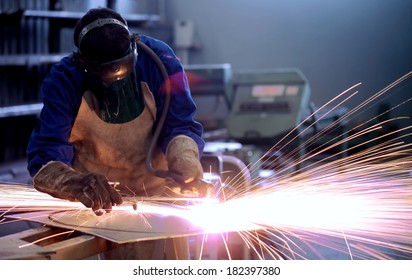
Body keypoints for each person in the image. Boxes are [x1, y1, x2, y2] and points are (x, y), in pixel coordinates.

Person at [26, 7, 206, 259]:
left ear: (134, 46)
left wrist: (184, 162)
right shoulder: (64, 80)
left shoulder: (160, 61)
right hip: (94, 205)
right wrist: (76, 183)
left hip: (158, 198)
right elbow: (46, 154)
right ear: (83, 64)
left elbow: (180, 124)